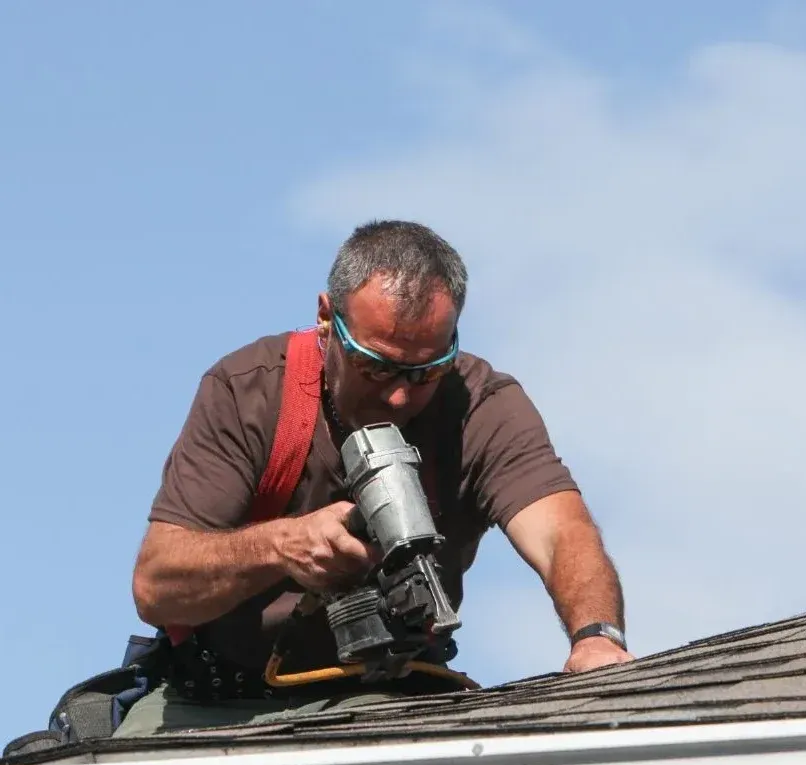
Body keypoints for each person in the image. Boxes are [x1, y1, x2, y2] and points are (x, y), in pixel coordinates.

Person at [117, 220, 632, 736]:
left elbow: (562, 531)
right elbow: (156, 588)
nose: (400, 397)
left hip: (390, 696)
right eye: (376, 367)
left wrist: (596, 636)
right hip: (217, 701)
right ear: (326, 318)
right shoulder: (248, 392)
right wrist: (279, 546)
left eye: (426, 371)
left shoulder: (482, 406)